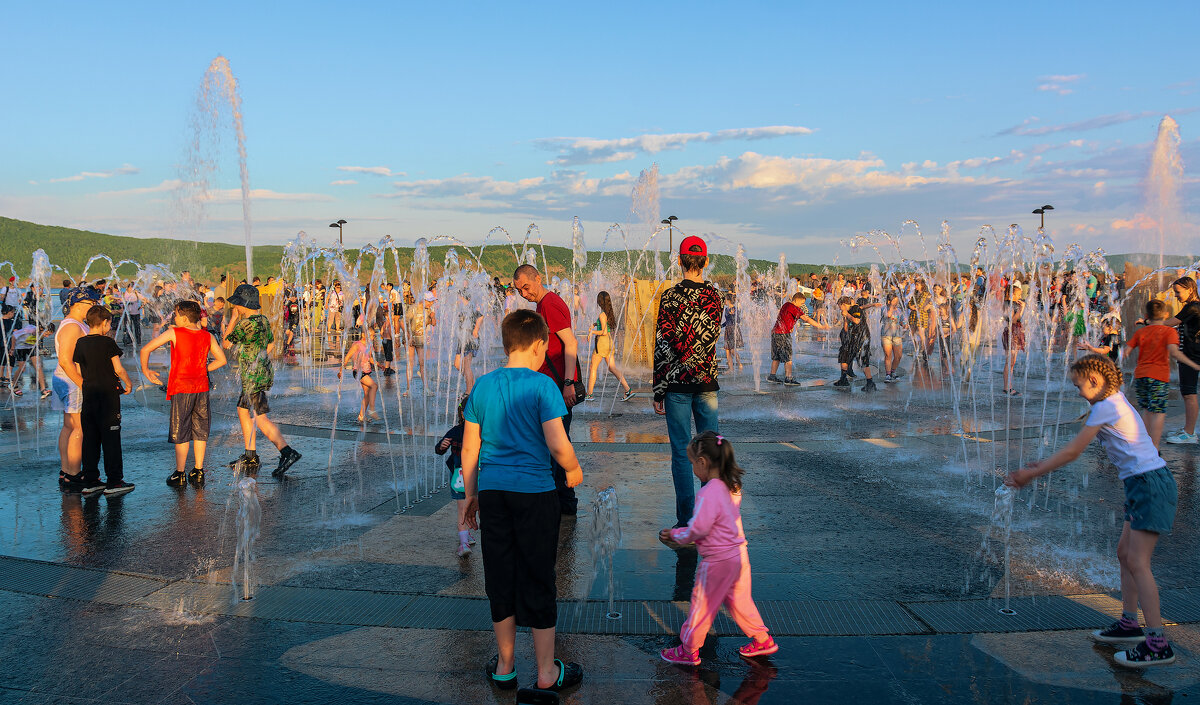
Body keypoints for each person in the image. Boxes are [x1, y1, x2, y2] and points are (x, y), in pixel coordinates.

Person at [1007, 354, 1178, 667]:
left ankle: (1158, 643)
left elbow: (1074, 451)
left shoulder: (1106, 406)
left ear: (1096, 381)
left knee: (1139, 562)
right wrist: (1041, 464)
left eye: (1078, 386)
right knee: (1125, 554)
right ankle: (1129, 624)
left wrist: (1032, 473)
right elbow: (1074, 445)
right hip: (1144, 484)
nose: (1077, 391)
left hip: (1150, 485)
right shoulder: (1114, 400)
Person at [458, 309, 585, 693]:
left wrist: (470, 497)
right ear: (540, 344)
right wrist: (573, 469)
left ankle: (505, 665)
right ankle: (547, 671)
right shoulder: (544, 386)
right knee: (538, 576)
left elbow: (469, 449)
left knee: (500, 575)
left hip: (494, 494)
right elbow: (557, 442)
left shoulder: (482, 386)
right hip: (535, 494)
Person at [659, 431, 776, 665]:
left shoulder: (708, 492)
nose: (693, 469)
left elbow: (699, 529)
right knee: (740, 602)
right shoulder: (730, 486)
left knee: (701, 606)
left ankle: (688, 650)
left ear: (703, 462)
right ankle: (762, 639)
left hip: (717, 562)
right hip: (738, 556)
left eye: (693, 463)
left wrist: (676, 534)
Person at [654, 236, 723, 528]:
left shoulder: (669, 296)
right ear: (705, 261)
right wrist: (695, 362)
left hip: (676, 385)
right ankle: (714, 517)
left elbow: (662, 343)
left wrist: (659, 389)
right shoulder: (715, 297)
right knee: (712, 451)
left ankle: (686, 521)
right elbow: (711, 337)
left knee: (682, 454)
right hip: (706, 381)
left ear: (679, 260)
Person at [512, 264, 581, 516]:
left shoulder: (550, 304)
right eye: (519, 290)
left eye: (526, 287)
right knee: (555, 441)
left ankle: (559, 501)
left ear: (538, 279)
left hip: (557, 388)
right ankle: (562, 500)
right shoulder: (543, 305)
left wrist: (568, 383)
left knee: (556, 443)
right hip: (551, 386)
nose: (523, 293)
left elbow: (570, 342)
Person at [140, 300, 227, 486]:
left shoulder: (174, 333)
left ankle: (180, 474)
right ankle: (198, 470)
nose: (174, 317)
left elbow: (146, 349)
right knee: (200, 430)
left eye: (176, 314)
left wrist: (146, 370)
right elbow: (221, 360)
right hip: (201, 388)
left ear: (185, 318)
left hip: (181, 388)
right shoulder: (207, 336)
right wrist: (204, 369)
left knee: (181, 430)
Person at [223, 284, 302, 478]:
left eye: (238, 306)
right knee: (243, 410)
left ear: (243, 304)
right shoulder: (263, 321)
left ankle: (287, 451)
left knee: (260, 418)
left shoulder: (244, 324)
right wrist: (258, 359)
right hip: (259, 373)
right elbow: (271, 344)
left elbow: (225, 343)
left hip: (252, 377)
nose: (237, 308)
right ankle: (250, 455)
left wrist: (233, 319)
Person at [72, 305, 135, 496]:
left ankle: (91, 481)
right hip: (108, 398)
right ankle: (114, 481)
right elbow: (118, 368)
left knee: (90, 440)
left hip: (89, 398)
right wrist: (128, 382)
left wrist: (88, 384)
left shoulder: (80, 343)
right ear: (105, 323)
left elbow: (77, 369)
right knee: (111, 440)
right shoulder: (108, 343)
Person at [1125, 301, 1200, 448]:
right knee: (1158, 413)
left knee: (1146, 410)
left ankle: (1143, 444)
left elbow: (1126, 351)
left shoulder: (1141, 332)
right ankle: (1155, 447)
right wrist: (1193, 364)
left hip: (1141, 376)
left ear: (1147, 316)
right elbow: (1174, 353)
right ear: (1166, 315)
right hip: (1158, 378)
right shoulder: (1169, 332)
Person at [53, 287, 100, 491]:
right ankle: (74, 474)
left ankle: (66, 471)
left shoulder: (72, 324)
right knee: (79, 428)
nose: (94, 307)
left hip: (65, 379)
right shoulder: (72, 326)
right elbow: (65, 359)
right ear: (79, 304)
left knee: (69, 426)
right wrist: (83, 383)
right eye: (91, 304)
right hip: (73, 380)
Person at [436, 395, 474, 557]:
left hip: (472, 475)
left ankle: (466, 537)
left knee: (467, 508)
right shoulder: (456, 431)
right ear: (463, 414)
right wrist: (442, 446)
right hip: (460, 476)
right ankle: (464, 543)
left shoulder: (483, 429)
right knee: (463, 509)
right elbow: (439, 449)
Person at [1164, 277, 1200, 444]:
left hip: (1191, 355)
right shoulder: (1192, 306)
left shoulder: (1193, 307)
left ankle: (1189, 433)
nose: (1176, 295)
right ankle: (1188, 429)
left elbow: (1170, 323)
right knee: (1188, 393)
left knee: (1189, 394)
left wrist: (1149, 322)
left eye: (1178, 292)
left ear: (1190, 290)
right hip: (1190, 354)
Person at [767, 292, 827, 385]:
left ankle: (772, 376)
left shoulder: (786, 304)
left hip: (775, 333)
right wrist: (819, 326)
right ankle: (788, 378)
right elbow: (806, 319)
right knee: (788, 357)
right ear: (797, 299)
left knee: (776, 357)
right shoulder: (794, 308)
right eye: (802, 303)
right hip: (783, 334)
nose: (802, 305)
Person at [585, 291, 634, 402]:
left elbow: (603, 332)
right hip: (609, 343)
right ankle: (628, 389)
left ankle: (589, 394)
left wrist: (592, 332)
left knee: (593, 367)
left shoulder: (602, 314)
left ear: (600, 301)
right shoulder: (607, 313)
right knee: (612, 368)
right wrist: (594, 324)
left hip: (602, 343)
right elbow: (605, 325)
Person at [833, 296, 877, 391]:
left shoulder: (855, 308)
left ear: (844, 304)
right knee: (844, 355)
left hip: (862, 339)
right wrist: (845, 317)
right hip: (852, 338)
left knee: (863, 360)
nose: (839, 308)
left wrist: (847, 315)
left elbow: (857, 321)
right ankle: (843, 379)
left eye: (840, 306)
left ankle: (870, 383)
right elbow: (846, 329)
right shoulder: (847, 312)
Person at [339, 325, 379, 423]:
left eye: (373, 336)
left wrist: (379, 365)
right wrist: (341, 370)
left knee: (367, 394)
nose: (372, 337)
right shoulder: (357, 344)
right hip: (358, 372)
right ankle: (372, 410)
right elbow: (347, 357)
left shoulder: (369, 345)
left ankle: (361, 416)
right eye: (371, 335)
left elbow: (370, 359)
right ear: (363, 335)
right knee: (374, 386)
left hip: (367, 371)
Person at [9, 320, 53, 398]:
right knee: (22, 368)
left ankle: (43, 389)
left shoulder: (40, 333)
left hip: (31, 347)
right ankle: (14, 385)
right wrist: (12, 348)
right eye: (47, 334)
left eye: (49, 335)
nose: (47, 336)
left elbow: (33, 341)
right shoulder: (31, 329)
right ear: (43, 329)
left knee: (39, 367)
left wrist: (41, 350)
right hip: (20, 347)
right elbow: (14, 335)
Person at [404, 291, 436, 396]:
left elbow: (434, 324)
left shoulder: (429, 310)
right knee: (410, 363)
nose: (431, 303)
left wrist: (433, 317)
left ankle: (426, 389)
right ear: (424, 300)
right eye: (429, 301)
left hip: (421, 339)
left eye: (432, 302)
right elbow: (403, 322)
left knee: (422, 363)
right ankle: (408, 389)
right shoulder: (413, 308)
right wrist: (409, 336)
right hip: (410, 339)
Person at [1001, 285, 1026, 396]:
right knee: (1009, 361)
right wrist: (1021, 309)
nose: (1020, 297)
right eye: (1018, 295)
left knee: (1012, 362)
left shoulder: (1014, 304)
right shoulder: (1008, 304)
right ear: (1012, 294)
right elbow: (1012, 320)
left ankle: (1009, 386)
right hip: (1011, 333)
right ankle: (1007, 388)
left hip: (1015, 333)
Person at [454, 301, 484, 392]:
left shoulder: (468, 307)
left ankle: (469, 390)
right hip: (461, 339)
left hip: (469, 338)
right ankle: (472, 383)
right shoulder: (460, 308)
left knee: (467, 366)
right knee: (457, 364)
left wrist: (476, 329)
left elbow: (480, 316)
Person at [881, 292, 905, 382]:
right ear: (889, 301)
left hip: (897, 335)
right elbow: (888, 315)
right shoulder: (884, 308)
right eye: (894, 301)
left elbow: (903, 321)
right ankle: (887, 374)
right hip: (886, 335)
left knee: (898, 356)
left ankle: (893, 372)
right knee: (888, 355)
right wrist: (891, 306)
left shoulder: (899, 310)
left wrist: (905, 324)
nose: (896, 303)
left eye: (897, 301)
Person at [722, 292, 744, 372]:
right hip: (727, 329)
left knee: (732, 350)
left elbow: (738, 320)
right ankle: (731, 369)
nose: (724, 301)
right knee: (727, 351)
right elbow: (727, 321)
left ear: (727, 300)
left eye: (725, 299)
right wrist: (720, 326)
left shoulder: (734, 309)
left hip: (733, 330)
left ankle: (740, 364)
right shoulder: (726, 309)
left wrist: (733, 315)